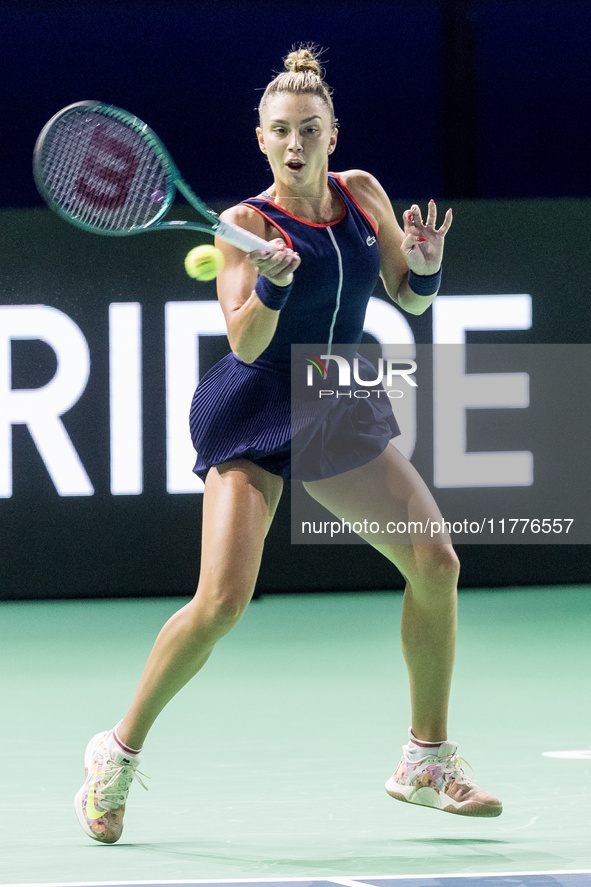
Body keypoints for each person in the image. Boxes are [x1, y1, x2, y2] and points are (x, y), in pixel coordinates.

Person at [74, 46, 502, 844]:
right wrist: (270, 278)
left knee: (436, 561)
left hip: (338, 395)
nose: (296, 142)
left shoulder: (362, 193)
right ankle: (116, 750)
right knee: (222, 603)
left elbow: (406, 299)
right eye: (281, 131)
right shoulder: (244, 224)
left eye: (310, 127)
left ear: (333, 132)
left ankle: (425, 757)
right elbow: (243, 342)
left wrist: (429, 270)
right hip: (259, 403)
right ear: (262, 139)